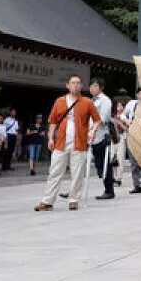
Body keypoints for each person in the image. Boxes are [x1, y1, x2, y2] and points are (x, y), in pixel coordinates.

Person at [34, 74, 100, 211]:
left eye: (78, 83)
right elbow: (52, 121)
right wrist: (51, 137)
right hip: (60, 142)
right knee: (55, 171)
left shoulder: (87, 102)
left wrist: (93, 130)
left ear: (81, 86)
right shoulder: (59, 101)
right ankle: (48, 200)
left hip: (79, 142)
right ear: (67, 85)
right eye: (73, 83)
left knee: (77, 173)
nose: (75, 85)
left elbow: (97, 119)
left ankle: (74, 199)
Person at [90, 77, 117, 200]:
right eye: (91, 86)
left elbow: (103, 118)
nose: (92, 88)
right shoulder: (91, 100)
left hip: (101, 136)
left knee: (104, 164)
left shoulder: (105, 100)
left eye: (95, 86)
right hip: (92, 136)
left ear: (101, 87)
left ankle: (109, 190)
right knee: (99, 164)